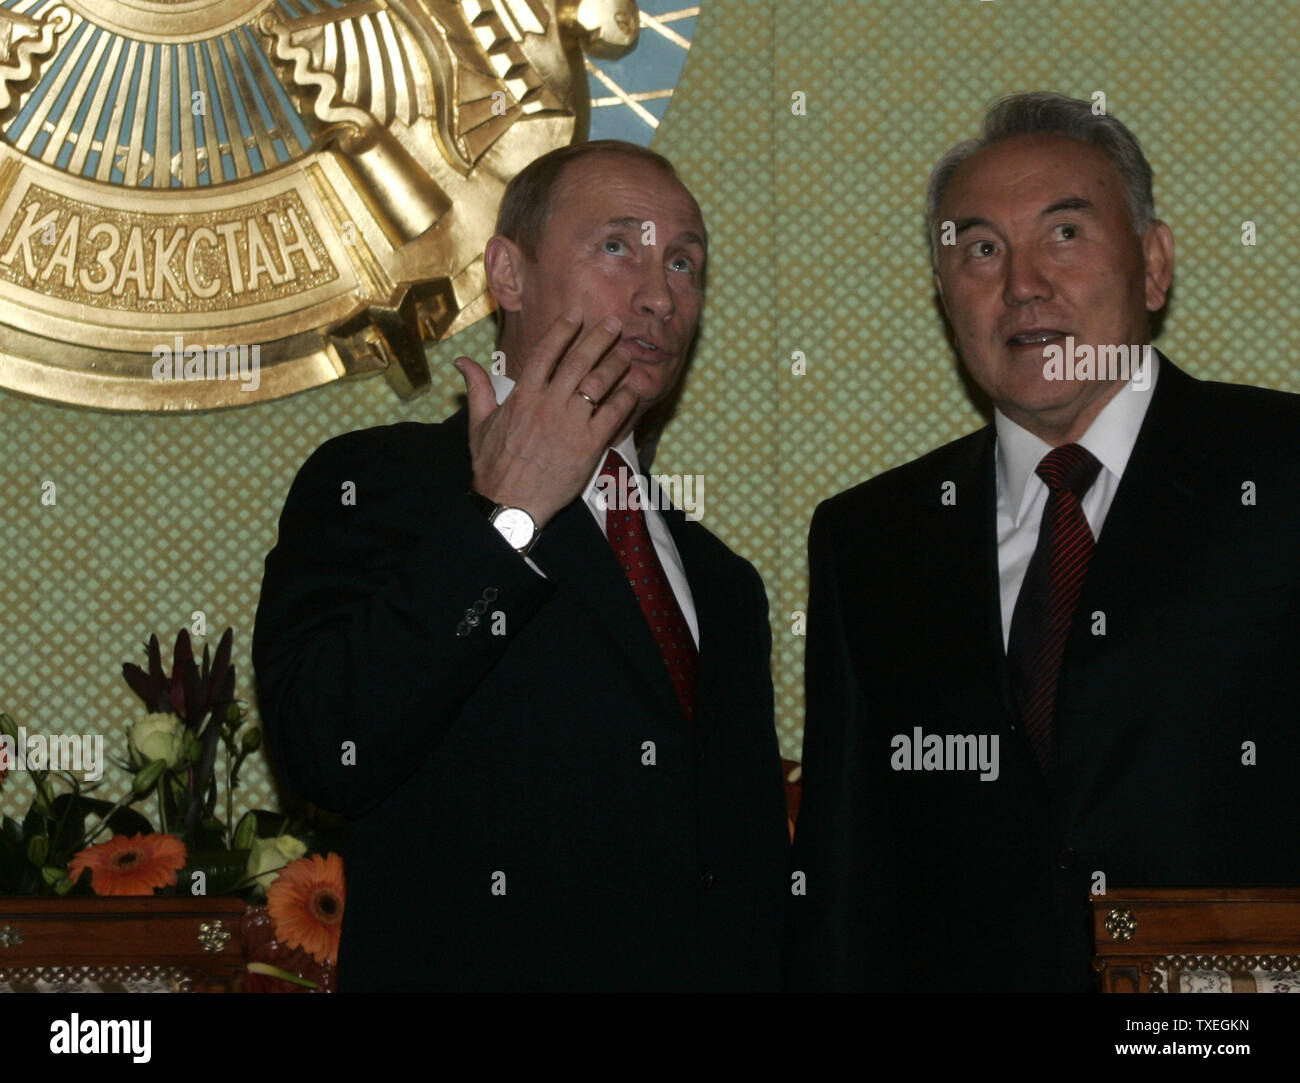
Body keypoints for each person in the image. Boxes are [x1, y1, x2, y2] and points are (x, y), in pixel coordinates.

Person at [787, 92, 1300, 992]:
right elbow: (845, 883)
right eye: (981, 249)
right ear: (944, 297)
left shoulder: (1282, 468)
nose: (1023, 282)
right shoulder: (869, 542)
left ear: (1153, 264)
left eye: (1065, 234)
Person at [252, 140, 788, 992]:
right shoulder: (376, 485)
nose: (660, 293)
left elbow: (750, 881)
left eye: (685, 262)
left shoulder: (723, 582)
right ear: (508, 274)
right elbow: (328, 749)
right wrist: (504, 519)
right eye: (620, 247)